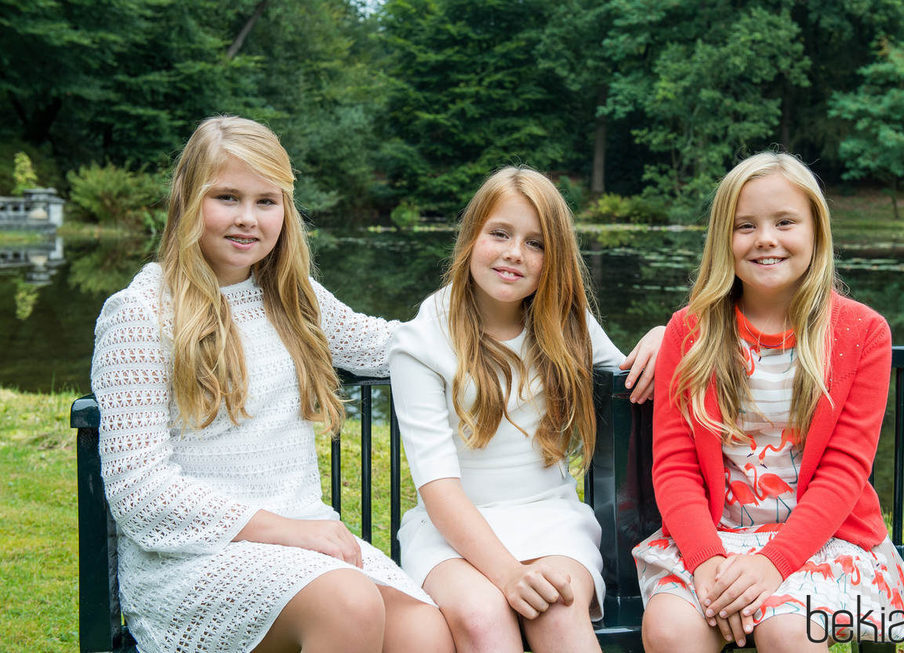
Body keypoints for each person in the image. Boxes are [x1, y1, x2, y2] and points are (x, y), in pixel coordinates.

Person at [90, 116, 454, 653]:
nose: (247, 219)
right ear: (188, 200)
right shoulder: (141, 313)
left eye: (267, 201)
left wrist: (536, 333)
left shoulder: (291, 296)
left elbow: (391, 346)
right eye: (227, 197)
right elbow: (140, 492)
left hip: (305, 540)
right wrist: (289, 531)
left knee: (424, 632)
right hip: (192, 560)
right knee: (348, 604)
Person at [633, 152, 904, 652]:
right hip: (714, 540)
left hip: (823, 540)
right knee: (669, 629)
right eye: (745, 225)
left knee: (787, 627)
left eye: (785, 222)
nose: (765, 238)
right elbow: (676, 466)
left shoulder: (862, 332)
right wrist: (707, 561)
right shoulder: (691, 331)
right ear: (724, 239)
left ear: (816, 230)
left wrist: (773, 565)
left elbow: (843, 471)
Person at [387, 166, 664, 653]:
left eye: (536, 243)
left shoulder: (568, 324)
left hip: (549, 518)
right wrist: (509, 575)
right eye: (500, 234)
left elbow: (630, 371)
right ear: (472, 237)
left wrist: (668, 336)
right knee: (480, 616)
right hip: (451, 528)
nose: (515, 253)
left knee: (557, 607)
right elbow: (439, 488)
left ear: (552, 259)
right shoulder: (422, 341)